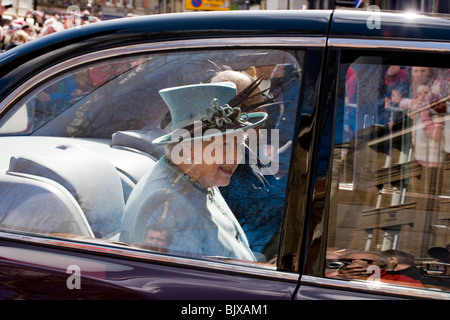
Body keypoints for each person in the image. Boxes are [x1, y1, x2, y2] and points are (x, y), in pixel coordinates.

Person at [120, 82, 268, 261]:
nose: (236, 157)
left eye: (238, 143)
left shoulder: (199, 179)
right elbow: (179, 284)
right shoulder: (169, 207)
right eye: (224, 145)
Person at [331, 250, 424, 287]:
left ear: (382, 265)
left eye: (367, 261)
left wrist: (367, 276)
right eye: (348, 261)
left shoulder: (400, 280)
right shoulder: (328, 276)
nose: (356, 264)